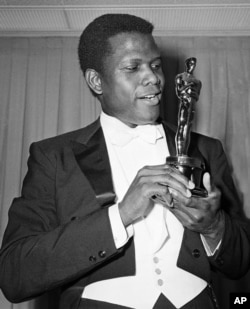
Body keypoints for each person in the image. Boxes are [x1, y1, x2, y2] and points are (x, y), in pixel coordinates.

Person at [0, 13, 249, 309]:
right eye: (133, 67)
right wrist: (120, 216)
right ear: (96, 81)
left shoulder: (206, 150)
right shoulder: (54, 156)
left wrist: (213, 227)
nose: (154, 78)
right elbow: (15, 275)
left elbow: (241, 261)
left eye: (156, 66)